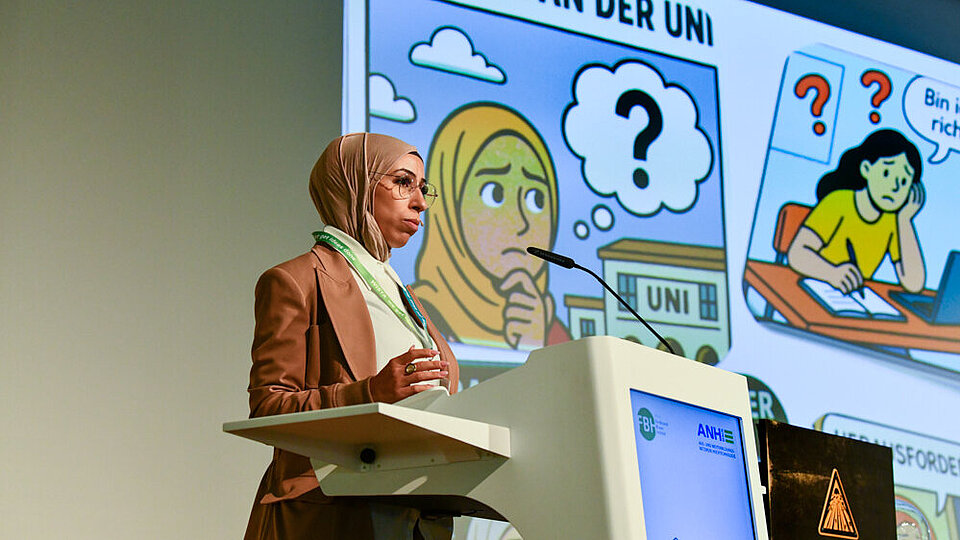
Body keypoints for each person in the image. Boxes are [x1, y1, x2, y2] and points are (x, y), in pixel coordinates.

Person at [244, 132, 460, 540]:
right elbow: (268, 406)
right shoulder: (295, 281)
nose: (419, 202)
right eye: (402, 182)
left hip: (416, 515)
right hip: (331, 515)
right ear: (354, 184)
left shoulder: (404, 294)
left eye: (423, 188)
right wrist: (369, 393)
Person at [411, 102, 570, 350]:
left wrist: (536, 344)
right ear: (450, 206)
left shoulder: (551, 330)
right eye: (495, 194)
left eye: (536, 199)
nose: (521, 223)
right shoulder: (416, 315)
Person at [788, 129, 926, 294]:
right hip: (813, 287)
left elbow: (914, 283)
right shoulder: (838, 202)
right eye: (886, 173)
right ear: (866, 169)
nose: (895, 187)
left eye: (903, 181)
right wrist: (832, 273)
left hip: (852, 297)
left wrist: (905, 220)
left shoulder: (893, 221)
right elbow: (797, 254)